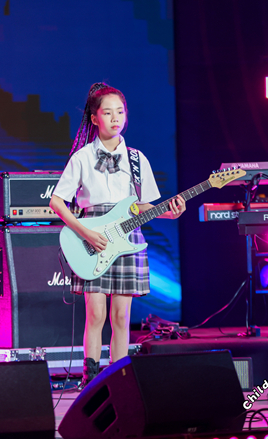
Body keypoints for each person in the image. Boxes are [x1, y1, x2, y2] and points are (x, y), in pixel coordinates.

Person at [49, 82, 185, 388]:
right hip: (92, 236)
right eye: (108, 112)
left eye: (120, 112)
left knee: (122, 317)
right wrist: (84, 231)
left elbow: (143, 205)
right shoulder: (83, 157)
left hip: (128, 238)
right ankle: (91, 381)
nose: (115, 118)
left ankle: (120, 381)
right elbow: (57, 202)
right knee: (96, 315)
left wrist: (169, 211)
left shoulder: (136, 159)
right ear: (94, 118)